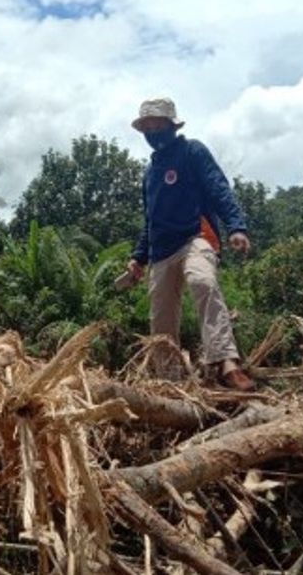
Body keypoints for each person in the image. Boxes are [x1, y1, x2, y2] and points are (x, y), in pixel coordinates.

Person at [125, 97, 256, 391]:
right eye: (147, 126)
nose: (152, 130)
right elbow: (150, 221)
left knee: (203, 283)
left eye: (157, 123)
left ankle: (227, 363)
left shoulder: (192, 151)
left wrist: (236, 226)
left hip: (195, 237)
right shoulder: (149, 174)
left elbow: (218, 186)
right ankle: (169, 382)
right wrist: (138, 258)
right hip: (160, 252)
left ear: (171, 125)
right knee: (161, 319)